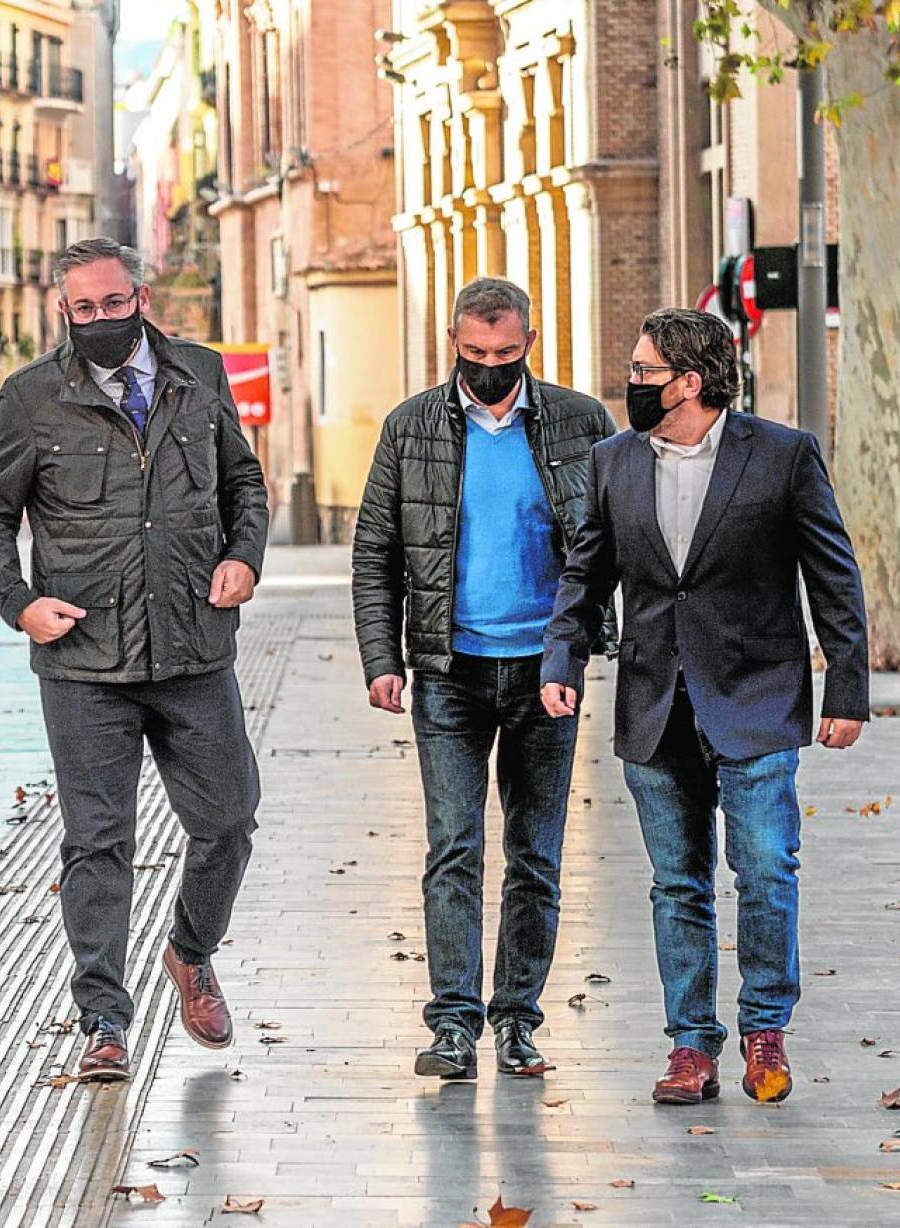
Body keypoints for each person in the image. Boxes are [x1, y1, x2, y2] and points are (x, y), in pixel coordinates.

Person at [540, 307, 869, 1106]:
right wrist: (563, 659)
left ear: (690, 382)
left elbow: (833, 576)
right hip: (657, 703)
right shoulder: (613, 461)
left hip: (756, 696)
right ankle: (690, 1045)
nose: (632, 382)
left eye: (645, 370)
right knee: (676, 884)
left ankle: (765, 1030)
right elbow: (587, 574)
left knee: (763, 869)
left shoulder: (783, 456)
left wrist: (847, 688)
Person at [0, 237, 269, 1084]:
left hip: (195, 647)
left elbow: (244, 483)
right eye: (82, 308)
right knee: (98, 844)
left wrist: (245, 554)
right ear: (63, 310)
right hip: (83, 662)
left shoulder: (201, 375)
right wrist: (19, 604)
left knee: (229, 820)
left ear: (142, 296)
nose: (100, 319)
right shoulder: (30, 398)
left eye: (113, 302)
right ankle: (104, 1020)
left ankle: (189, 950)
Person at [350, 277, 617, 1082]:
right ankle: (455, 1023)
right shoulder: (411, 427)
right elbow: (376, 552)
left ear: (530, 343)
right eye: (475, 355)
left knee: (536, 854)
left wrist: (595, 645)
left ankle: (517, 1020)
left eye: (505, 354)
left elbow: (608, 545)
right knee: (454, 848)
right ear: (453, 345)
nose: (491, 367)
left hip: (548, 672)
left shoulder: (581, 423)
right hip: (448, 672)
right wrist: (381, 658)